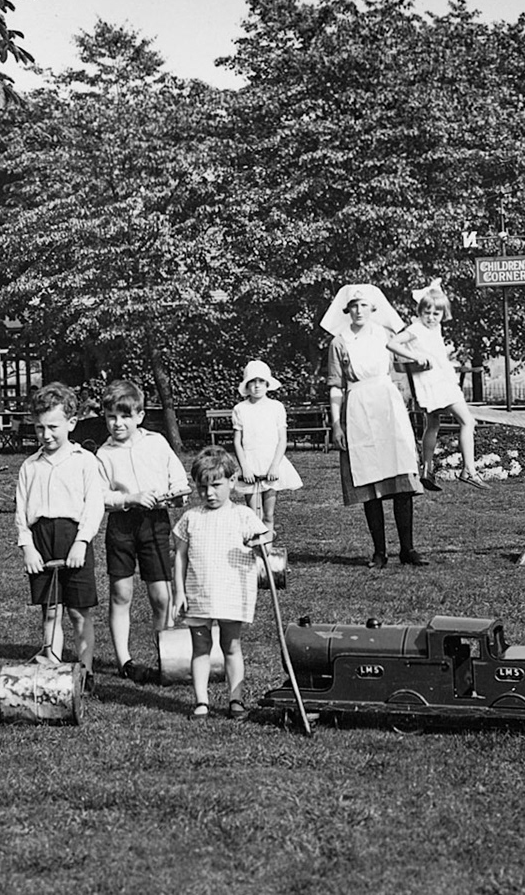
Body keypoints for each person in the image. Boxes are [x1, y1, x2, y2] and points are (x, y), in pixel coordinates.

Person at [321, 282, 430, 567]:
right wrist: (336, 424)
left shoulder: (386, 335)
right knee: (370, 481)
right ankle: (379, 552)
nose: (358, 311)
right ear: (347, 310)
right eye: (354, 306)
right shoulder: (339, 342)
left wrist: (426, 364)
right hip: (357, 408)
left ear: (372, 309)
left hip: (388, 406)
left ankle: (408, 550)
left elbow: (405, 365)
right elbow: (335, 386)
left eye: (363, 305)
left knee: (402, 480)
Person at [94, 379, 190, 683]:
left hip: (155, 523)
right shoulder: (103, 454)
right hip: (122, 526)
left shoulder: (157, 442)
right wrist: (129, 498)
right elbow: (100, 497)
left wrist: (176, 493)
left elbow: (179, 480)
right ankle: (125, 661)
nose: (118, 423)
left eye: (125, 416)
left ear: (140, 416)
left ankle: (166, 657)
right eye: (111, 416)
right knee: (121, 593)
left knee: (161, 595)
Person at [171, 446, 273, 720]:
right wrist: (179, 592)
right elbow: (180, 557)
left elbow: (265, 545)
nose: (209, 494)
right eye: (202, 488)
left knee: (231, 645)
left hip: (231, 592)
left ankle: (235, 699)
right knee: (201, 647)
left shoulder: (243, 516)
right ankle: (201, 702)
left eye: (216, 485)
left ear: (232, 481)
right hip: (198, 593)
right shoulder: (190, 518)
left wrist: (258, 545)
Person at [15, 381, 106, 676]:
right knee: (51, 612)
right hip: (42, 540)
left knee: (79, 612)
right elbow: (21, 512)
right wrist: (27, 546)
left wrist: (82, 542)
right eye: (40, 428)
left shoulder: (85, 462)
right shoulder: (30, 466)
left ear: (72, 422)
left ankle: (85, 672)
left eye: (53, 427)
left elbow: (94, 506)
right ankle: (52, 672)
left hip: (74, 538)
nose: (46, 435)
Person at [391, 280, 488, 492]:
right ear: (420, 311)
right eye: (427, 312)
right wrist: (415, 355)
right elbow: (392, 343)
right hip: (436, 385)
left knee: (433, 424)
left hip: (436, 382)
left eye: (437, 313)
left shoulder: (436, 329)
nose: (432, 317)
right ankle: (469, 470)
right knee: (467, 421)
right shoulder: (416, 328)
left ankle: (427, 469)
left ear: (443, 315)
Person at [230, 359, 303, 531]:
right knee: (254, 516)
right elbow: (237, 441)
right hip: (250, 463)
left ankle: (268, 552)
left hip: (270, 462)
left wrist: (274, 466)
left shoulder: (276, 407)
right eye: (252, 382)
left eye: (261, 381)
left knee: (268, 515)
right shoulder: (240, 409)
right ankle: (256, 554)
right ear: (246, 385)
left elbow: (282, 439)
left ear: (267, 383)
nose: (257, 386)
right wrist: (245, 467)